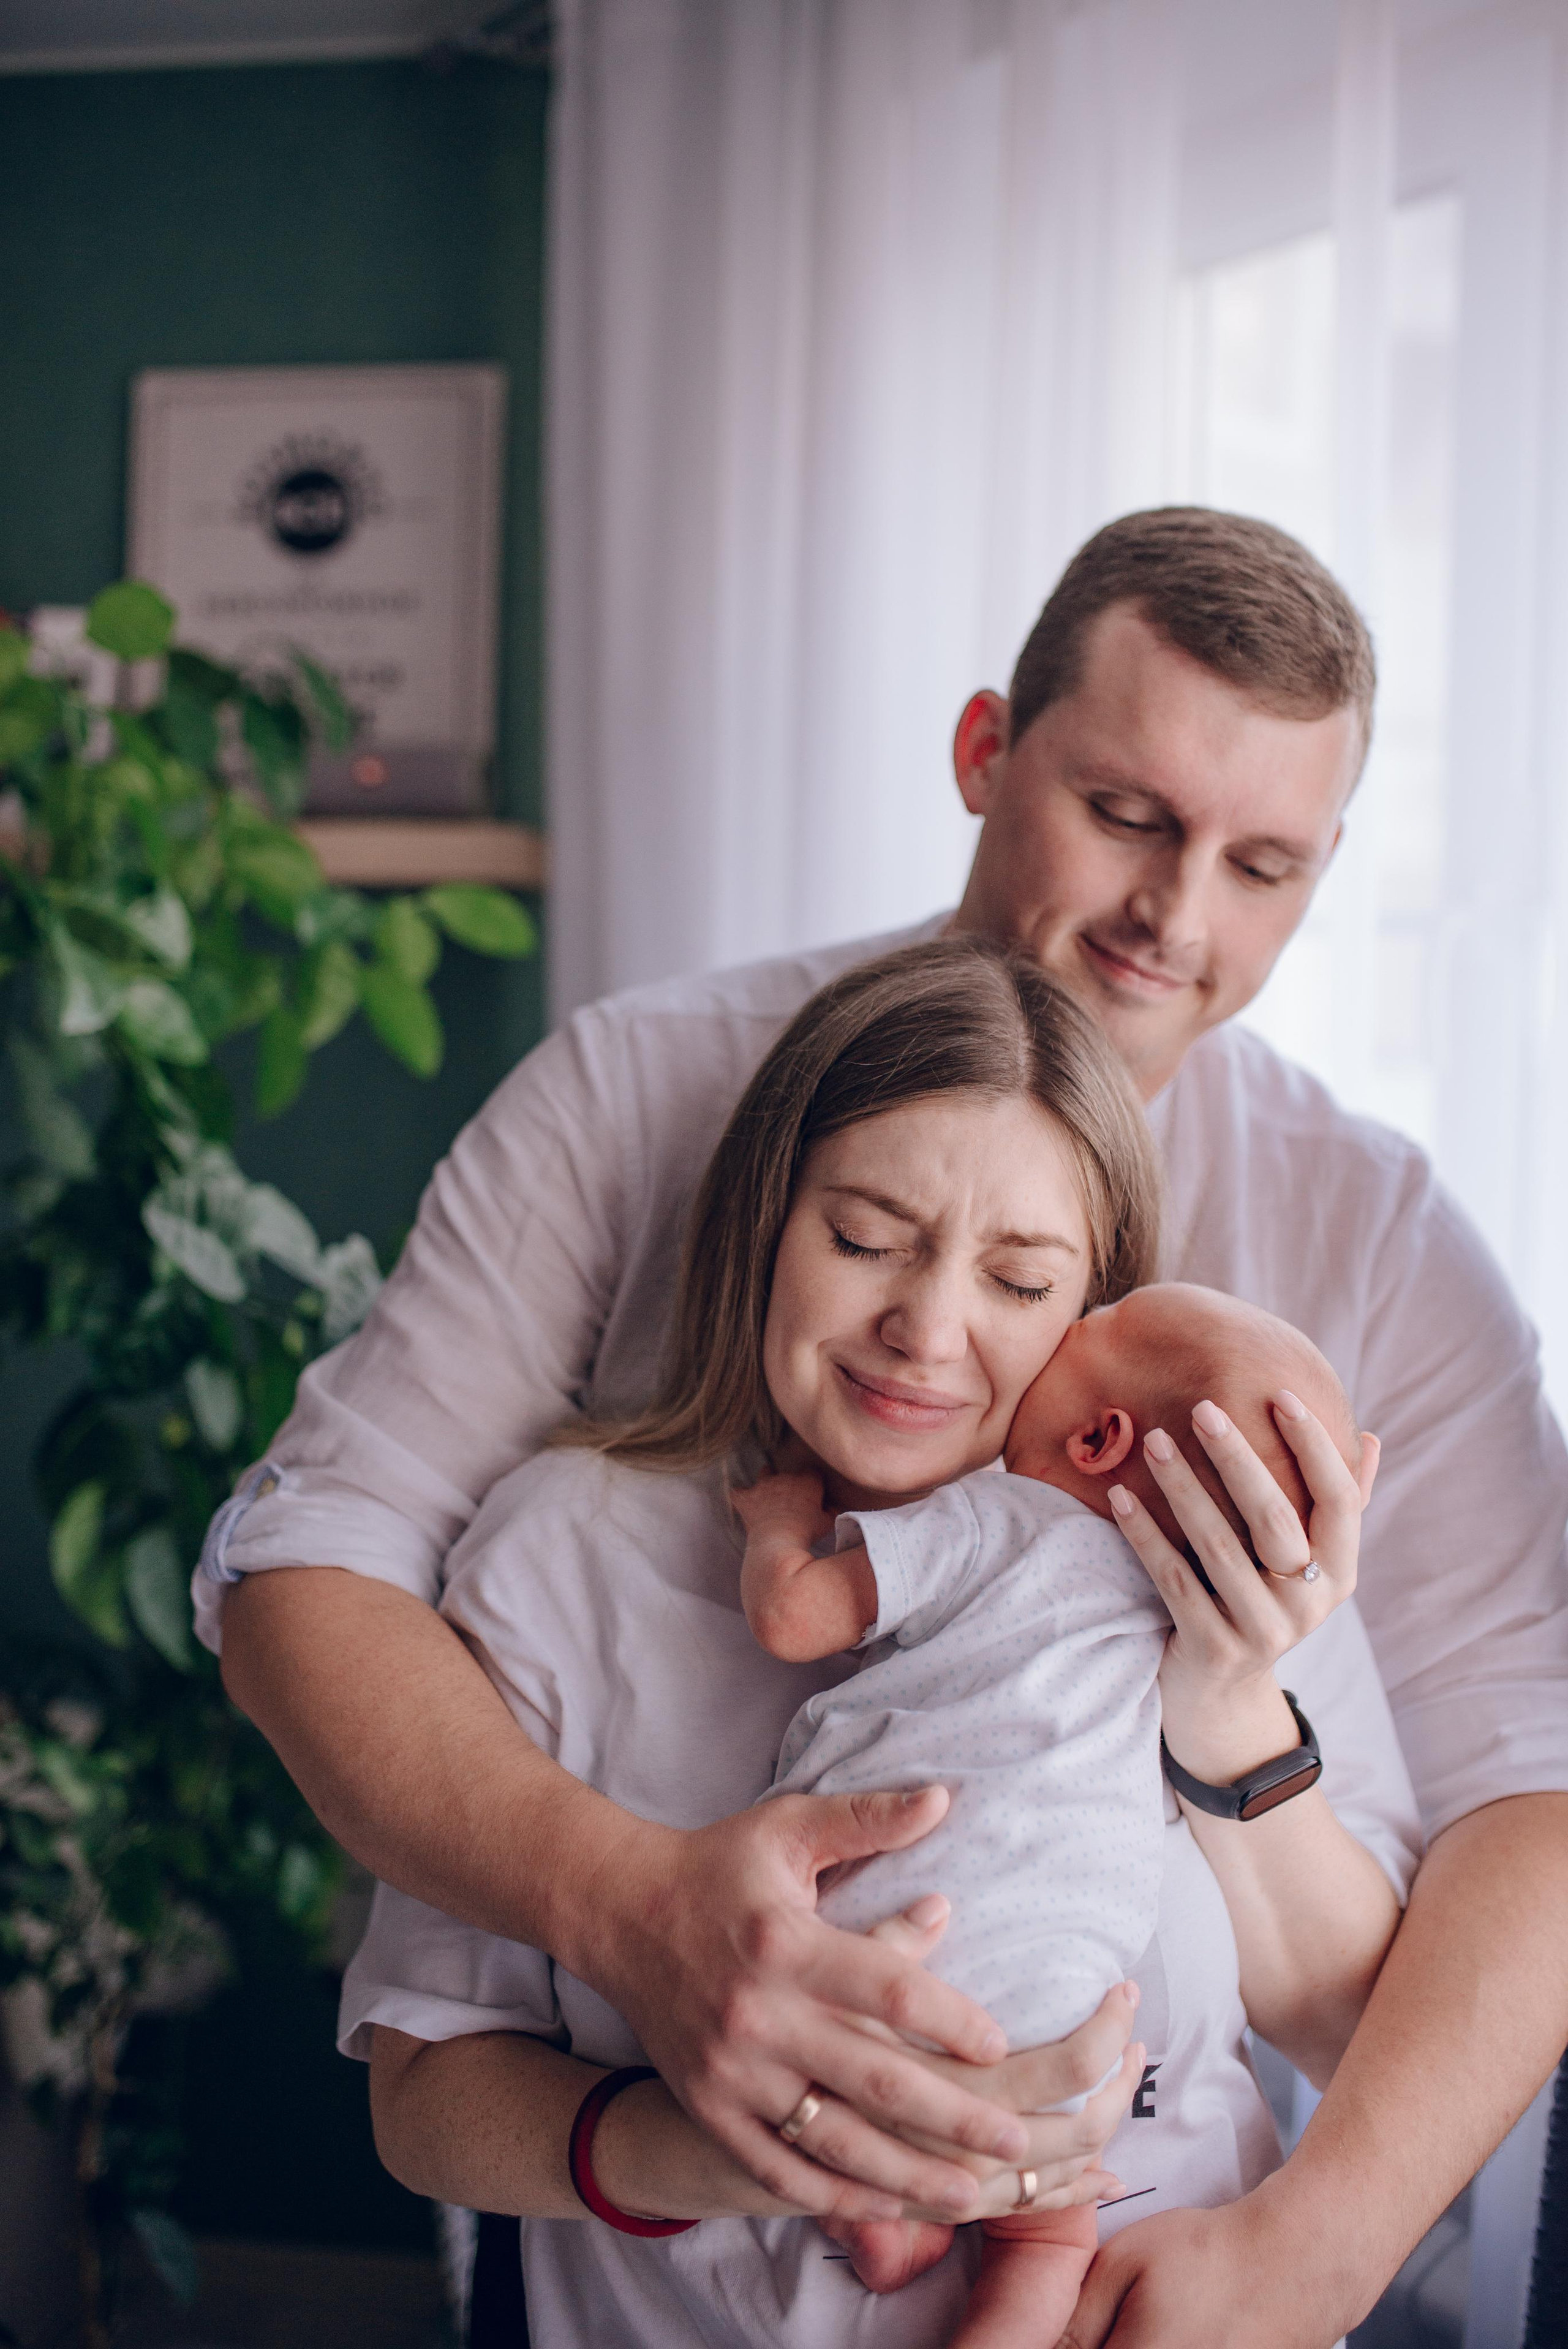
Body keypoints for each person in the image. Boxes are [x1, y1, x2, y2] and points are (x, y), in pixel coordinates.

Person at [202, 509, 1568, 2345]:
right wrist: (636, 1919)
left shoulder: (1352, 1288)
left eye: (1267, 865)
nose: (1178, 919)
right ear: (985, 754)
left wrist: (1320, 2244)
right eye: (1132, 816)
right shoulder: (629, 1164)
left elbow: (1514, 1810)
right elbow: (315, 1564)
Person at [353, 941, 1416, 2348]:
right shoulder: (568, 1551)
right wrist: (721, 2152)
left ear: (1093, 1313)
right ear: (762, 1224)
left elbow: (1346, 2031)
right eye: (862, 1240)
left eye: (1019, 1282)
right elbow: (426, 2104)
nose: (925, 1331)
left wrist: (1223, 1696)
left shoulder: (1203, 1552)